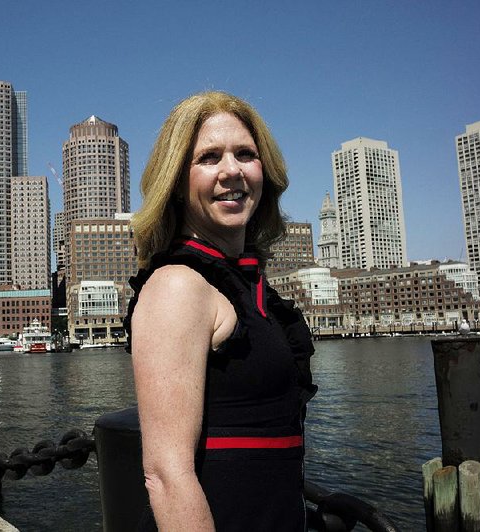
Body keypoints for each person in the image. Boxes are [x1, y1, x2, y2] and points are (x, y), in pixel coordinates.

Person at [125, 91, 316, 531]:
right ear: (176, 181)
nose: (232, 170)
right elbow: (166, 476)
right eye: (209, 157)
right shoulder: (179, 286)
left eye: (245, 154)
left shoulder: (243, 284)